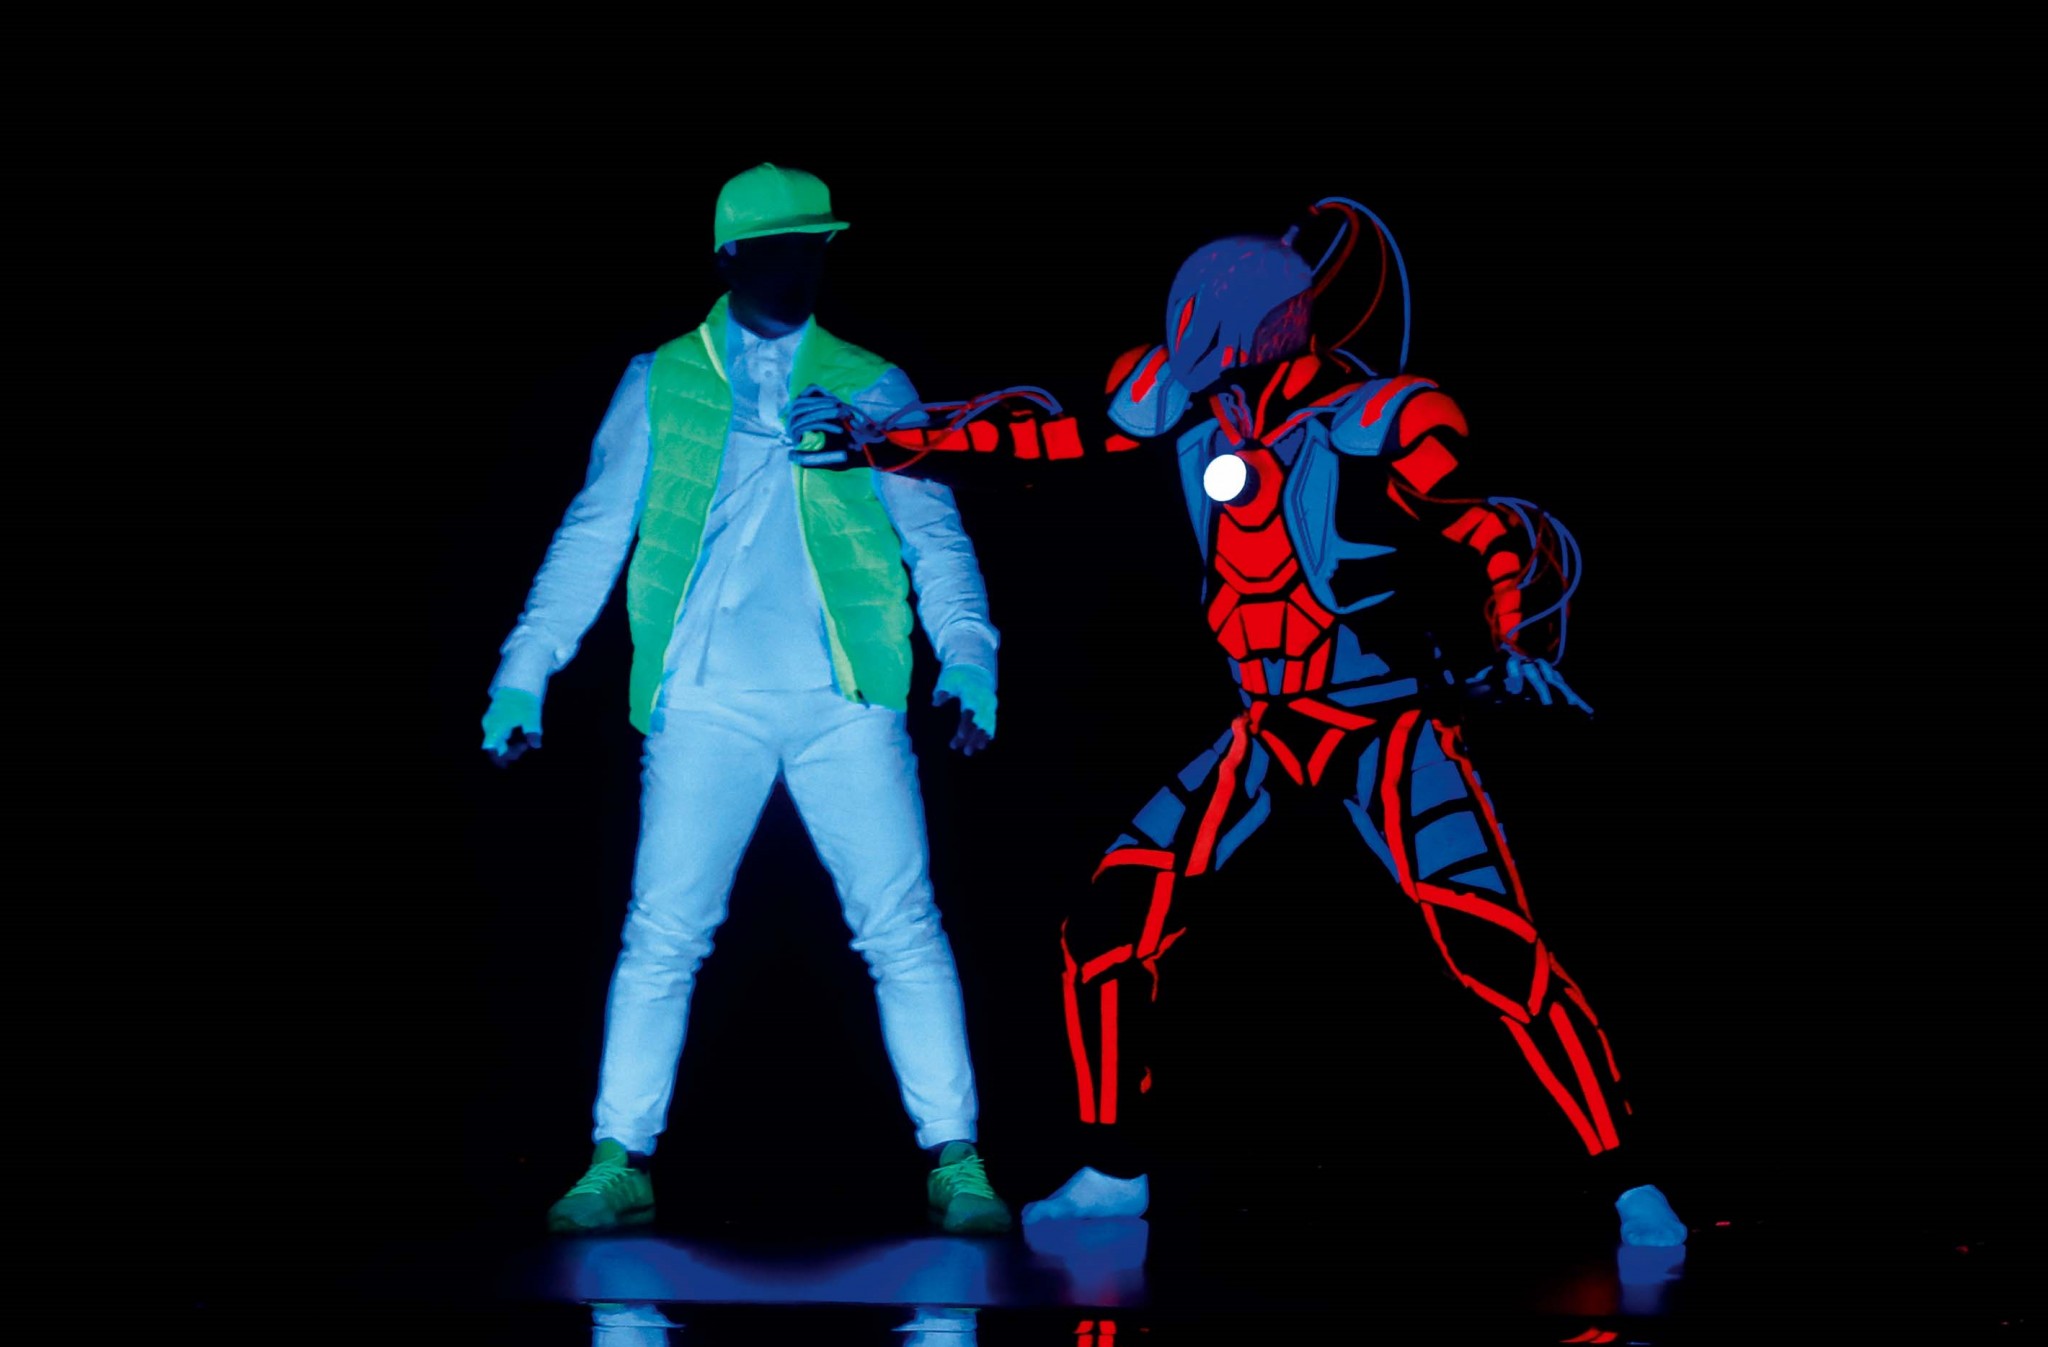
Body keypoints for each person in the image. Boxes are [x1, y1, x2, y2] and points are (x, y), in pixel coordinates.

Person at [481, 163, 1012, 1236]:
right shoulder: (663, 378)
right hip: (704, 699)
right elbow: (596, 527)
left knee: (902, 927)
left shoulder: (870, 382)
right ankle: (617, 1155)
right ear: (730, 256)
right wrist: (524, 668)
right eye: (778, 245)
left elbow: (935, 534)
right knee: (663, 932)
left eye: (812, 243)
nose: (798, 262)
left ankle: (958, 1157)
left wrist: (968, 657)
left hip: (846, 696)